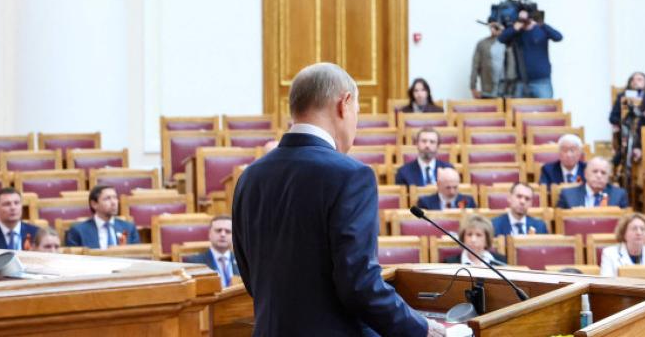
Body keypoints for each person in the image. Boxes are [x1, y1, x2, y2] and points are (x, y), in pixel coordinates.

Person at [231, 62, 440, 336]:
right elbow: (359, 284)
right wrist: (421, 329)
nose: (356, 124)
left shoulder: (250, 177)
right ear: (344, 103)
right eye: (357, 112)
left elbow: (250, 277)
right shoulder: (350, 175)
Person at [496, 7, 562, 98]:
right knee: (517, 107)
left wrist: (541, 24)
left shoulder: (540, 29)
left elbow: (558, 37)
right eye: (521, 19)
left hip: (541, 81)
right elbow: (501, 39)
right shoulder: (517, 32)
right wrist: (514, 28)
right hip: (521, 81)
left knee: (546, 107)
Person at [65, 185, 140, 249]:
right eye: (107, 198)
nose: (114, 202)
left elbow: (137, 256)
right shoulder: (78, 231)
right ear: (94, 204)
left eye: (115, 198)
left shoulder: (129, 228)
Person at [599, 212, 645, 277]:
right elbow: (606, 282)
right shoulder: (609, 254)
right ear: (624, 233)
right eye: (634, 229)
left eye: (642, 229)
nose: (639, 233)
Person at [184, 215, 241, 288]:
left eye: (228, 231)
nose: (223, 234)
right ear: (209, 234)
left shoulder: (242, 260)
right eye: (218, 230)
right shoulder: (195, 263)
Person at [556, 157, 628, 208]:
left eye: (603, 173)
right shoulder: (568, 195)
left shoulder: (619, 195)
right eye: (595, 171)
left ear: (608, 177)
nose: (599, 176)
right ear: (585, 174)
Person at [470, 22, 513, 99]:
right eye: (491, 27)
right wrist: (473, 87)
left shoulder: (511, 43)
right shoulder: (482, 44)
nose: (493, 29)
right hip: (488, 90)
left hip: (508, 90)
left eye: (496, 27)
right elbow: (475, 66)